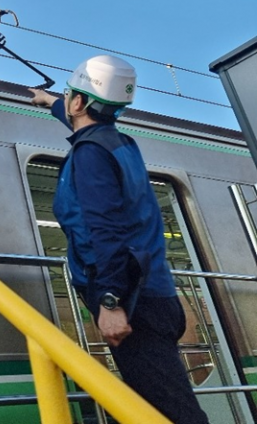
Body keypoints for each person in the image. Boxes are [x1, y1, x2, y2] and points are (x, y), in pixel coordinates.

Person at [30, 56, 209, 424]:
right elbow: (85, 120)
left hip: (130, 302)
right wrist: (50, 102)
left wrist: (110, 302)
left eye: (69, 97)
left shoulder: (90, 154)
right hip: (154, 294)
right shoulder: (117, 142)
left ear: (79, 103)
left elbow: (105, 229)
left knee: (172, 413)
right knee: (154, 402)